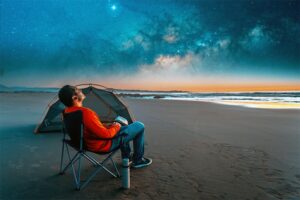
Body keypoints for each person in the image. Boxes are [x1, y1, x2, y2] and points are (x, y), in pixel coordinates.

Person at [58, 85, 152, 169]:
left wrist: (108, 126)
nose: (81, 91)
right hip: (101, 145)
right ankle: (138, 161)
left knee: (122, 128)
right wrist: (116, 126)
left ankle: (126, 158)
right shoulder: (85, 113)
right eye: (78, 91)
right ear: (74, 98)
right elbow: (106, 135)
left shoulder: (66, 112)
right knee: (139, 125)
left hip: (83, 144)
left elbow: (87, 128)